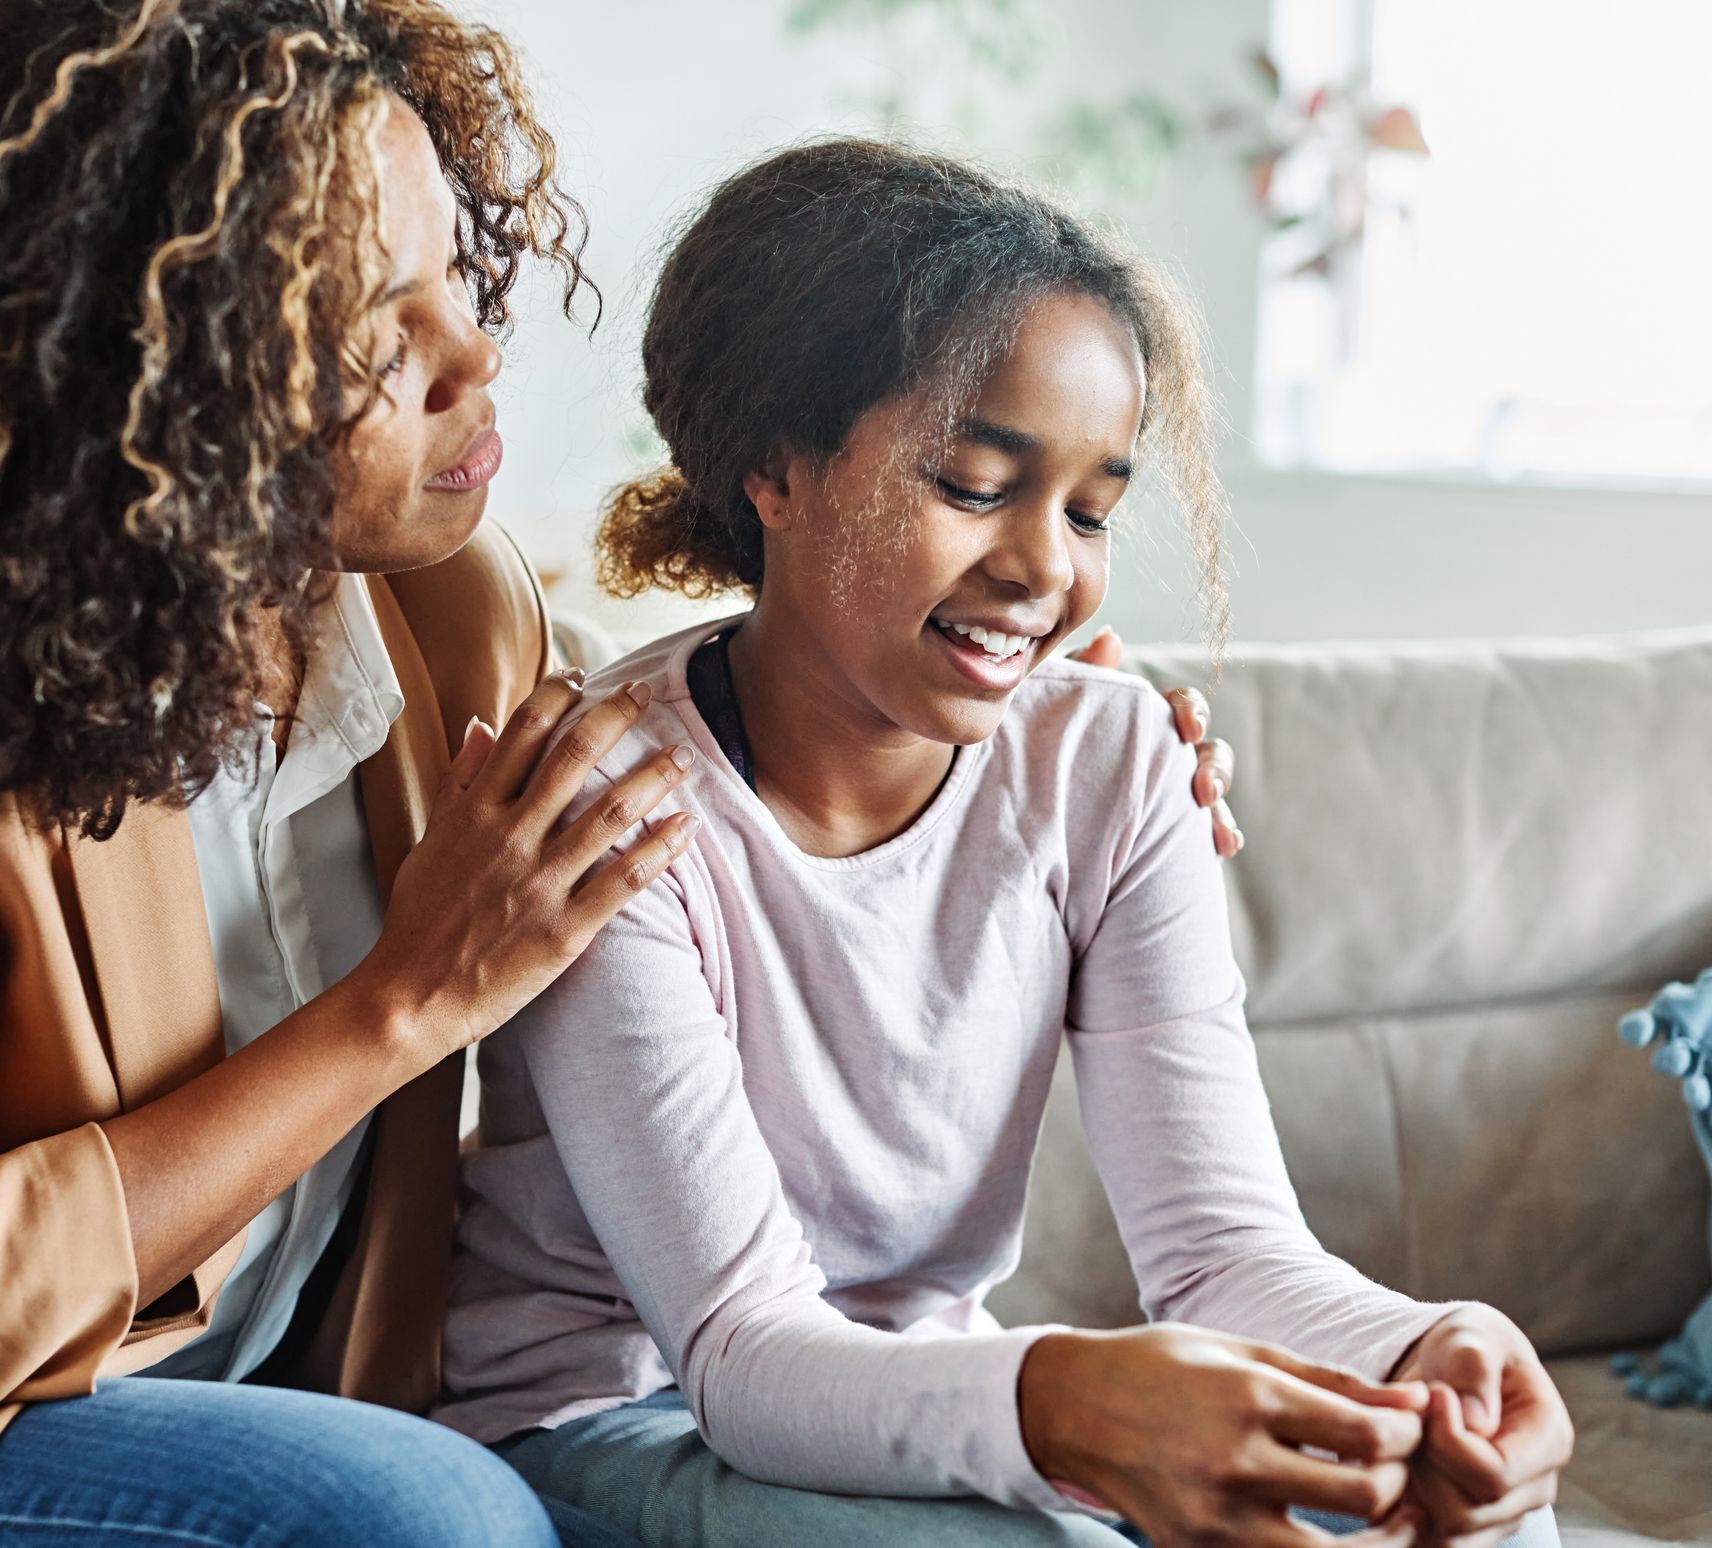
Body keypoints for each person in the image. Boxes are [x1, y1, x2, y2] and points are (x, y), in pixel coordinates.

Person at [0, 7, 1234, 1543]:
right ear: (161, 367)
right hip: (40, 1408)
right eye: (387, 330)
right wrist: (403, 1002)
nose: (478, 352)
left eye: (461, 269)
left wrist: (1030, 691)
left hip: (304, 1392)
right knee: (433, 1522)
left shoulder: (454, 619)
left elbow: (751, 697)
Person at [437, 139, 1575, 1548]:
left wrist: (1426, 1359)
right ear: (774, 469)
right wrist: (1068, 1410)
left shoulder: (1113, 764)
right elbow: (741, 1352)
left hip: (921, 1402)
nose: (1047, 568)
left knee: (1475, 1523)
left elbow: (1224, 1255)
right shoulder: (614, 811)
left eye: (1091, 508)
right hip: (619, 1423)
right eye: (978, 486)